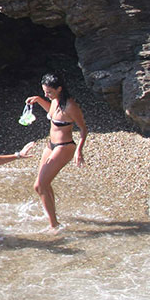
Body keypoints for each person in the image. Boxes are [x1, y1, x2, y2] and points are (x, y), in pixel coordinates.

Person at [25, 71, 88, 232]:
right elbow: (52, 115)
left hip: (64, 146)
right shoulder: (54, 100)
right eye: (44, 91)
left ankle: (54, 225)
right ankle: (53, 216)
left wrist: (79, 151)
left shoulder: (70, 106)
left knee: (39, 186)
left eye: (49, 92)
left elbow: (83, 129)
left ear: (59, 89)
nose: (47, 94)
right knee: (44, 184)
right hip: (50, 145)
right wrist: (39, 100)